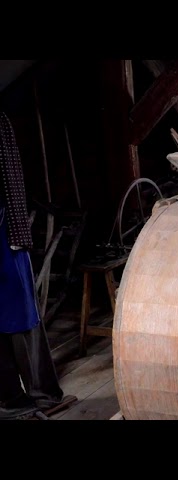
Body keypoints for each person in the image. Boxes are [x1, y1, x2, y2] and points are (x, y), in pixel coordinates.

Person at [0, 111, 65, 420]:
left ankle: (39, 393)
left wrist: (16, 234)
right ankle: (11, 398)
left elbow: (10, 180)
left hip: (5, 232)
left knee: (22, 316)